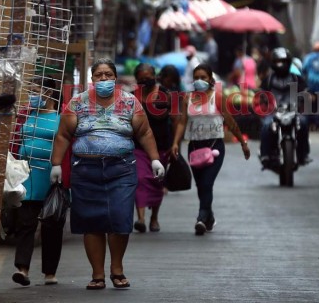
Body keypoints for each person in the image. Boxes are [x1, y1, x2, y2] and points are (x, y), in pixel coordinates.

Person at [50, 58, 165, 290]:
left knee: (120, 219)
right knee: (91, 222)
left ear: (115, 78)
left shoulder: (130, 102)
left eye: (108, 75)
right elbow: (63, 135)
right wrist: (56, 164)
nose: (103, 79)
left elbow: (144, 132)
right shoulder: (77, 103)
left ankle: (117, 269)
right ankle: (97, 274)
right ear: (92, 79)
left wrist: (154, 159)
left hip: (121, 170)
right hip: (85, 171)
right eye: (99, 75)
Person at [171, 63, 250, 236]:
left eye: (203, 77)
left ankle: (201, 217)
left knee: (207, 182)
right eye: (196, 77)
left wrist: (243, 143)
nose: (199, 81)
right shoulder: (188, 99)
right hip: (194, 146)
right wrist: (176, 142)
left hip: (215, 146)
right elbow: (182, 122)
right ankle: (209, 216)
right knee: (200, 185)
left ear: (211, 80)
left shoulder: (218, 97)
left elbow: (229, 121)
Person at [10, 77, 63, 287]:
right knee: (25, 222)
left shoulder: (61, 117)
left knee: (52, 223)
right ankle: (22, 269)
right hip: (26, 175)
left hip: (51, 175)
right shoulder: (25, 115)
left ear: (49, 93)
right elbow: (15, 140)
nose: (32, 96)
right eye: (30, 91)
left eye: (35, 91)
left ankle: (50, 272)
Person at [132, 63, 177, 233]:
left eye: (148, 76)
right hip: (138, 146)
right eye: (141, 77)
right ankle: (141, 218)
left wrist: (175, 143)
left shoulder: (165, 95)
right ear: (136, 79)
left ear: (155, 75)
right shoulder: (131, 97)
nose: (145, 79)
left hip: (162, 146)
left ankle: (154, 218)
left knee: (158, 181)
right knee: (141, 179)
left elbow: (176, 120)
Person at [259, 48, 311, 168]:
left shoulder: (296, 78)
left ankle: (303, 154)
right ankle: (265, 154)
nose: (280, 64)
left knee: (303, 123)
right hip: (274, 112)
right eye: (277, 61)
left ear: (289, 62)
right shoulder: (269, 79)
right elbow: (261, 94)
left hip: (293, 110)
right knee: (266, 126)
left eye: (283, 61)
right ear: (273, 62)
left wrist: (305, 98)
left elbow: (305, 91)